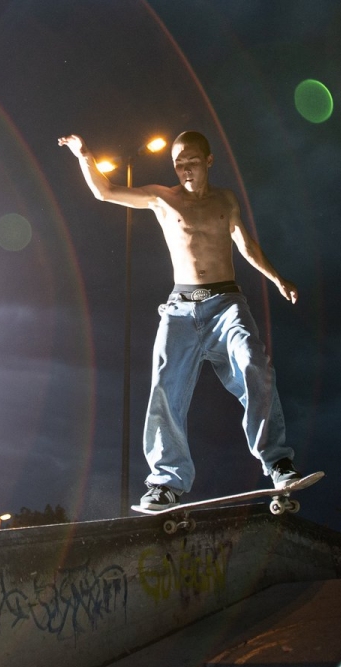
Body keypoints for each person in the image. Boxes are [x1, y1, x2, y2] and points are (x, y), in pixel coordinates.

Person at [58, 129, 299, 510]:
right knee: (165, 386)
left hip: (226, 304)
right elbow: (105, 192)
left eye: (192, 162)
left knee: (254, 363)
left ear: (209, 161)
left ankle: (278, 462)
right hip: (180, 309)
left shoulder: (226, 200)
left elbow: (245, 245)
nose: (185, 170)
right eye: (178, 164)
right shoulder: (162, 198)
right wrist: (83, 154)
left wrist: (277, 278)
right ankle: (166, 482)